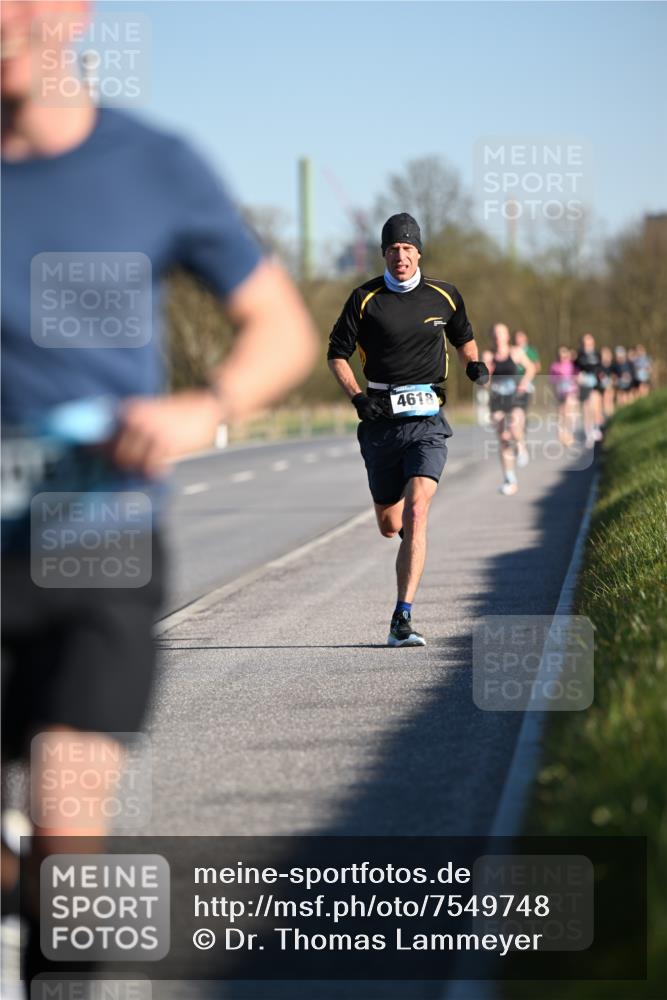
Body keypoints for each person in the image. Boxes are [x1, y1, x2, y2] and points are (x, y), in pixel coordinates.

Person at [1, 0, 317, 984]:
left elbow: (281, 328)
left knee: (70, 836)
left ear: (71, 12)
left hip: (100, 545)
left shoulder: (154, 165)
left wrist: (200, 407)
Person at [327, 213, 488, 647]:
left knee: (418, 510)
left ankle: (402, 617)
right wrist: (358, 398)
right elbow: (337, 354)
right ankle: (405, 536)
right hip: (381, 421)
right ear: (384, 253)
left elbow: (464, 336)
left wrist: (474, 363)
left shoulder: (445, 296)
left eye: (408, 248)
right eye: (393, 249)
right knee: (389, 523)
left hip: (428, 420)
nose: (401, 255)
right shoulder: (364, 299)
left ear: (419, 252)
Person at [486, 324, 536, 495]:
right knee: (503, 438)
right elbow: (483, 382)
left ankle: (521, 447)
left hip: (515, 396)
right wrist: (487, 375)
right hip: (497, 399)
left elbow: (531, 368)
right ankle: (509, 479)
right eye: (495, 333)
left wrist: (523, 383)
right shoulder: (488, 355)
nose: (498, 336)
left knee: (514, 426)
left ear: (507, 336)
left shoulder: (516, 352)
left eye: (501, 333)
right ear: (492, 337)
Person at [512, 330, 541, 467]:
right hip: (512, 386)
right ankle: (519, 437)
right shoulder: (511, 350)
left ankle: (521, 438)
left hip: (525, 385)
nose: (518, 339)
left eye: (521, 337)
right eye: (516, 337)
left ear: (525, 338)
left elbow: (536, 367)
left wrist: (525, 367)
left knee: (519, 413)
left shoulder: (530, 351)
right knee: (514, 416)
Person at [574, 334, 603, 448]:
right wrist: (578, 376)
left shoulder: (597, 354)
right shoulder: (579, 356)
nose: (587, 345)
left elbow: (601, 368)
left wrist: (601, 376)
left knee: (595, 406)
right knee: (586, 407)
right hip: (584, 384)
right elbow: (575, 369)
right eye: (585, 343)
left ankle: (597, 428)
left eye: (589, 343)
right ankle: (588, 432)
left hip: (595, 384)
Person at [548, 346, 578, 447]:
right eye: (560, 354)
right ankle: (561, 433)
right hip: (560, 391)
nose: (562, 356)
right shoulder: (555, 366)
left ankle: (569, 434)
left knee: (569, 412)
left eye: (564, 354)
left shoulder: (572, 365)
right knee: (561, 413)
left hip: (571, 391)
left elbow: (577, 375)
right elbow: (551, 379)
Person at [598, 346, 616, 423]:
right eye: (604, 355)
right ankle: (604, 418)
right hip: (601, 388)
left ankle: (611, 417)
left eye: (607, 355)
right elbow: (599, 376)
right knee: (604, 399)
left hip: (610, 387)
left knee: (610, 398)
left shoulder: (613, 366)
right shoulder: (599, 366)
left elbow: (615, 376)